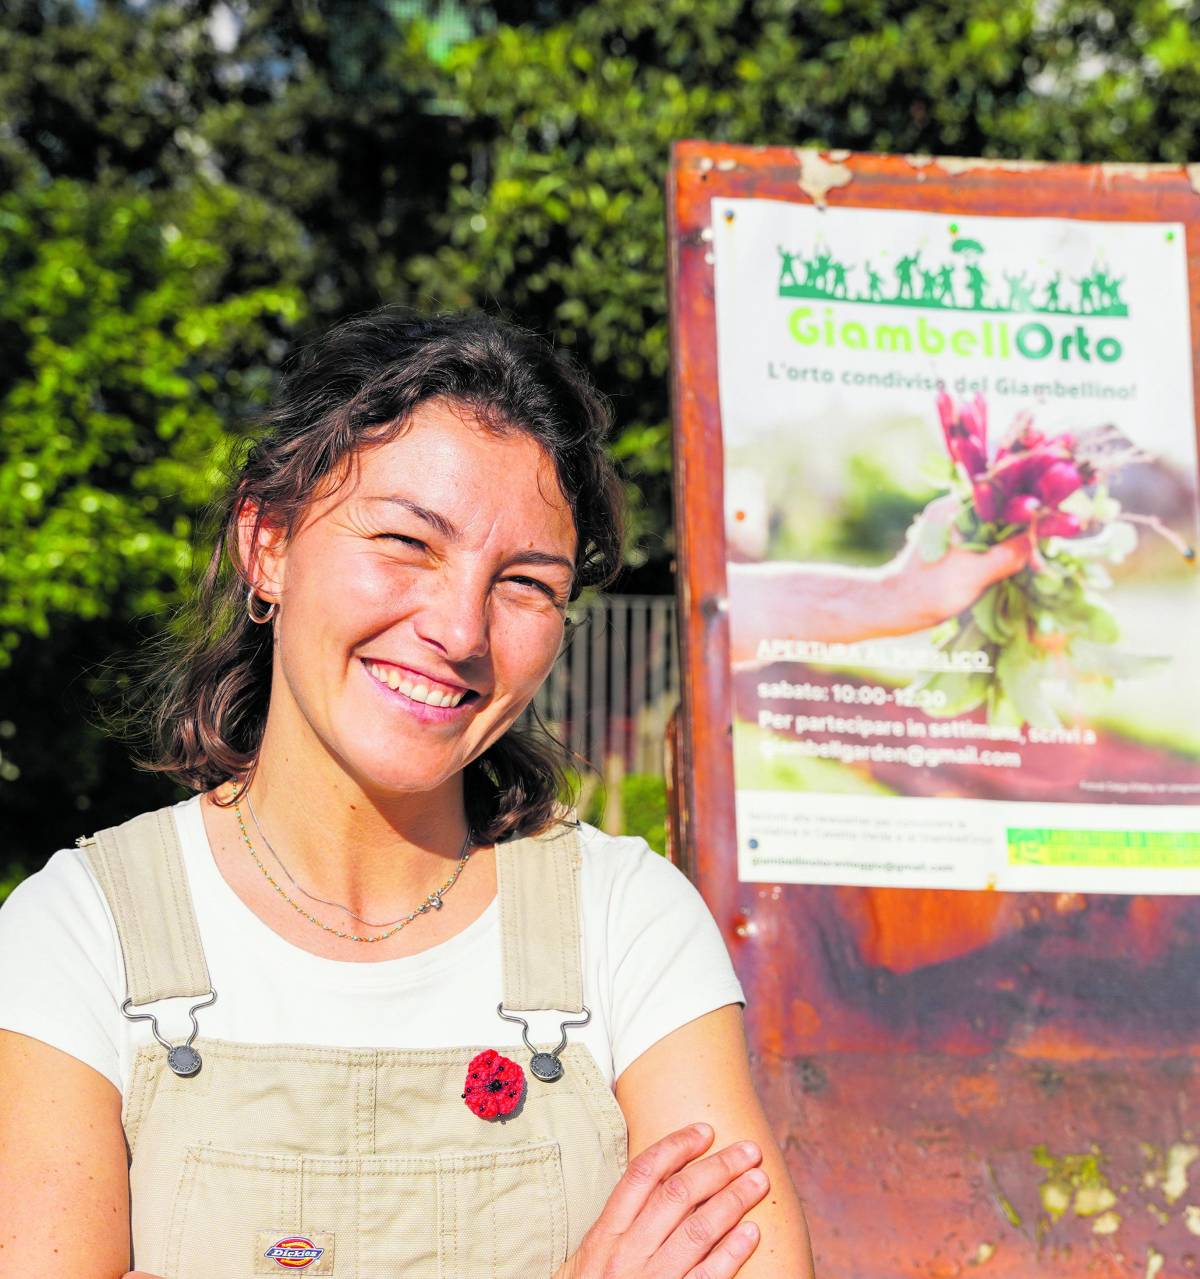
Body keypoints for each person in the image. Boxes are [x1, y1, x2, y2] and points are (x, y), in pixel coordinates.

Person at [0, 310, 815, 1279]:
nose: (459, 628)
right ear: (268, 544)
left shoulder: (626, 923)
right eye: (405, 541)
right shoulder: (84, 933)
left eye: (522, 583)